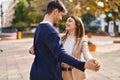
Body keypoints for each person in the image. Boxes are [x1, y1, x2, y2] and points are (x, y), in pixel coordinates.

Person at [29, 0, 100, 80]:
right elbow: (60, 54)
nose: (61, 18)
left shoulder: (39, 27)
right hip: (48, 75)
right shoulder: (52, 31)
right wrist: (84, 65)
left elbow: (44, 49)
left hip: (37, 73)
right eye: (61, 15)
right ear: (55, 11)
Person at [61, 15, 93, 80]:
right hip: (60, 74)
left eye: (69, 21)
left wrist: (91, 60)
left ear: (76, 25)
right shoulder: (60, 38)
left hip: (76, 75)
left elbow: (86, 53)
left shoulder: (82, 40)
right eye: (67, 21)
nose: (67, 23)